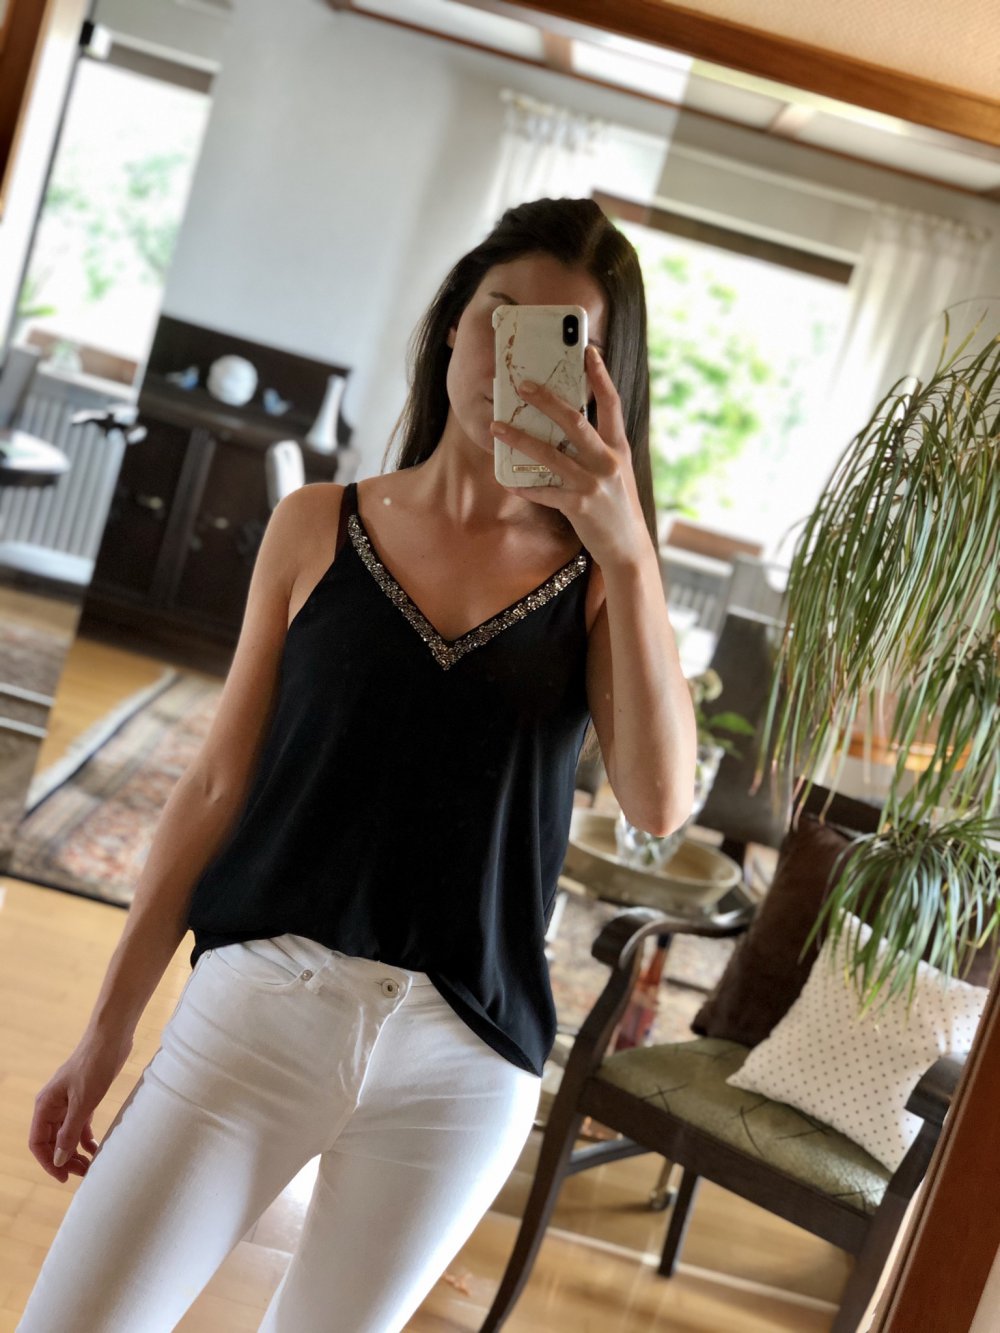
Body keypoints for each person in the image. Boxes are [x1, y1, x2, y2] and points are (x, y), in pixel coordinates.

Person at [19, 196, 696, 1332]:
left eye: (555, 334)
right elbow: (214, 786)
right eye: (497, 315)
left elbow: (660, 801)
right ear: (451, 323)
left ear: (599, 380)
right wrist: (108, 1027)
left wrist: (627, 551)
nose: (508, 357)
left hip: (462, 1065)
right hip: (257, 1008)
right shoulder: (315, 523)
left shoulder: (597, 588)